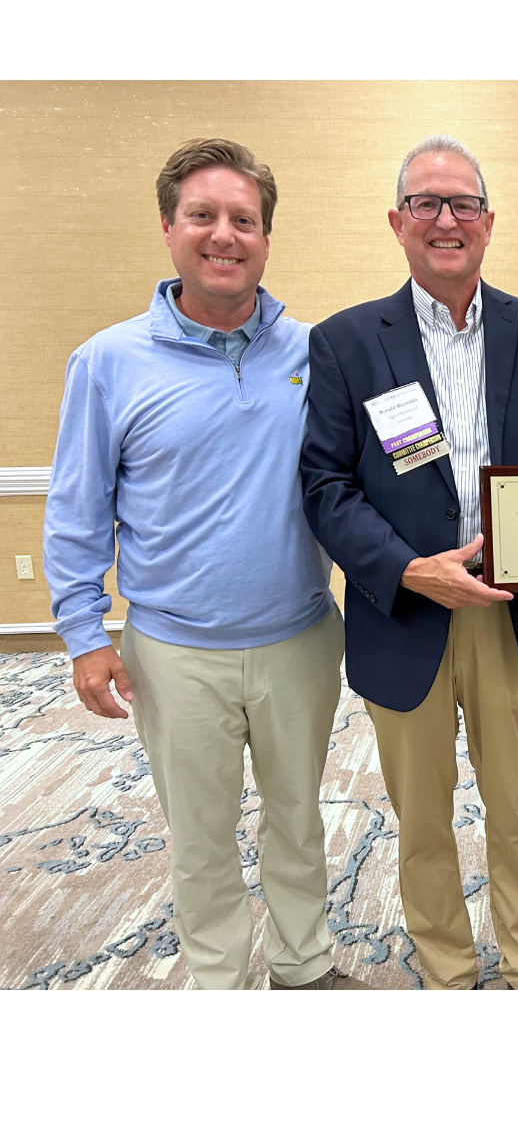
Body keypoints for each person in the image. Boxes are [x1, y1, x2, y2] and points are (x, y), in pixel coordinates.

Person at [42, 137, 362, 991]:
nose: (225, 235)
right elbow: (76, 511)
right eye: (203, 216)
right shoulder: (108, 362)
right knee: (201, 831)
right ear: (168, 227)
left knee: (299, 819)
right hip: (174, 652)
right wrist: (82, 633)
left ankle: (304, 966)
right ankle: (219, 983)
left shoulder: (316, 353)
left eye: (244, 220)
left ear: (266, 236)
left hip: (300, 637)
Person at [300, 134, 518, 991]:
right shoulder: (347, 341)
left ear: (489, 223)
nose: (445, 219)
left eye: (463, 203)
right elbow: (323, 485)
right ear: (397, 223)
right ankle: (447, 969)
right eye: (425, 203)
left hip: (511, 614)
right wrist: (407, 569)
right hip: (406, 615)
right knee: (421, 817)